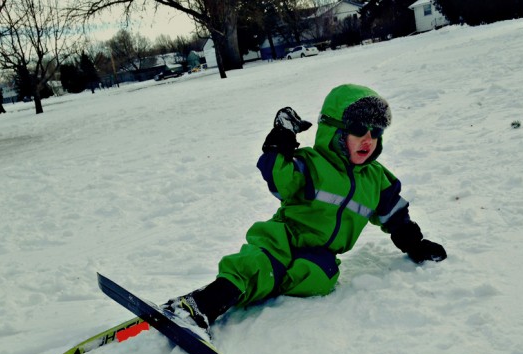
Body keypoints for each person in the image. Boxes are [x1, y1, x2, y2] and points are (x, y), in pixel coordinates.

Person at [165, 83, 447, 330]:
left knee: (323, 277)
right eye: (359, 130)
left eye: (375, 132)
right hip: (284, 236)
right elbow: (280, 180)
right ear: (335, 131)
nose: (368, 140)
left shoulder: (376, 180)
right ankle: (198, 305)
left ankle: (259, 286)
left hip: (321, 253)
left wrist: (415, 244)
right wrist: (281, 143)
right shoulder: (312, 164)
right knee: (258, 263)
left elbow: (395, 216)